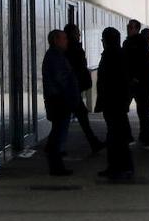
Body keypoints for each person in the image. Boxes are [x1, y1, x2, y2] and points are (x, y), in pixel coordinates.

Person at [94, 27, 134, 179]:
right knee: (117, 136)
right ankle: (120, 166)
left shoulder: (112, 55)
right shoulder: (120, 54)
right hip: (117, 102)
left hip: (113, 102)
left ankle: (119, 167)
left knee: (116, 136)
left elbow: (109, 81)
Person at [41, 29, 81, 176]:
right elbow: (61, 79)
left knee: (58, 132)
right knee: (58, 132)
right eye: (64, 38)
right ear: (56, 40)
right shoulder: (55, 57)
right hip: (59, 100)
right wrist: (70, 94)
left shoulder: (56, 55)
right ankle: (56, 165)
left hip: (59, 99)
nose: (67, 41)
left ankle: (56, 163)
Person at [64, 23, 104, 153]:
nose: (79, 35)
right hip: (72, 89)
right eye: (77, 32)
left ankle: (93, 142)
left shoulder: (69, 49)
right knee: (78, 116)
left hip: (72, 89)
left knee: (74, 117)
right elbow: (77, 69)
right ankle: (93, 143)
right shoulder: (74, 49)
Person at [124, 19, 149, 149]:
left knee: (139, 111)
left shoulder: (132, 44)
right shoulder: (138, 44)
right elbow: (144, 64)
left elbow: (134, 63)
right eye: (128, 26)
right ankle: (145, 137)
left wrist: (134, 78)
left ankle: (138, 136)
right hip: (141, 84)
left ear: (136, 29)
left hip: (137, 83)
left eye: (131, 27)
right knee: (143, 112)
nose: (128, 28)